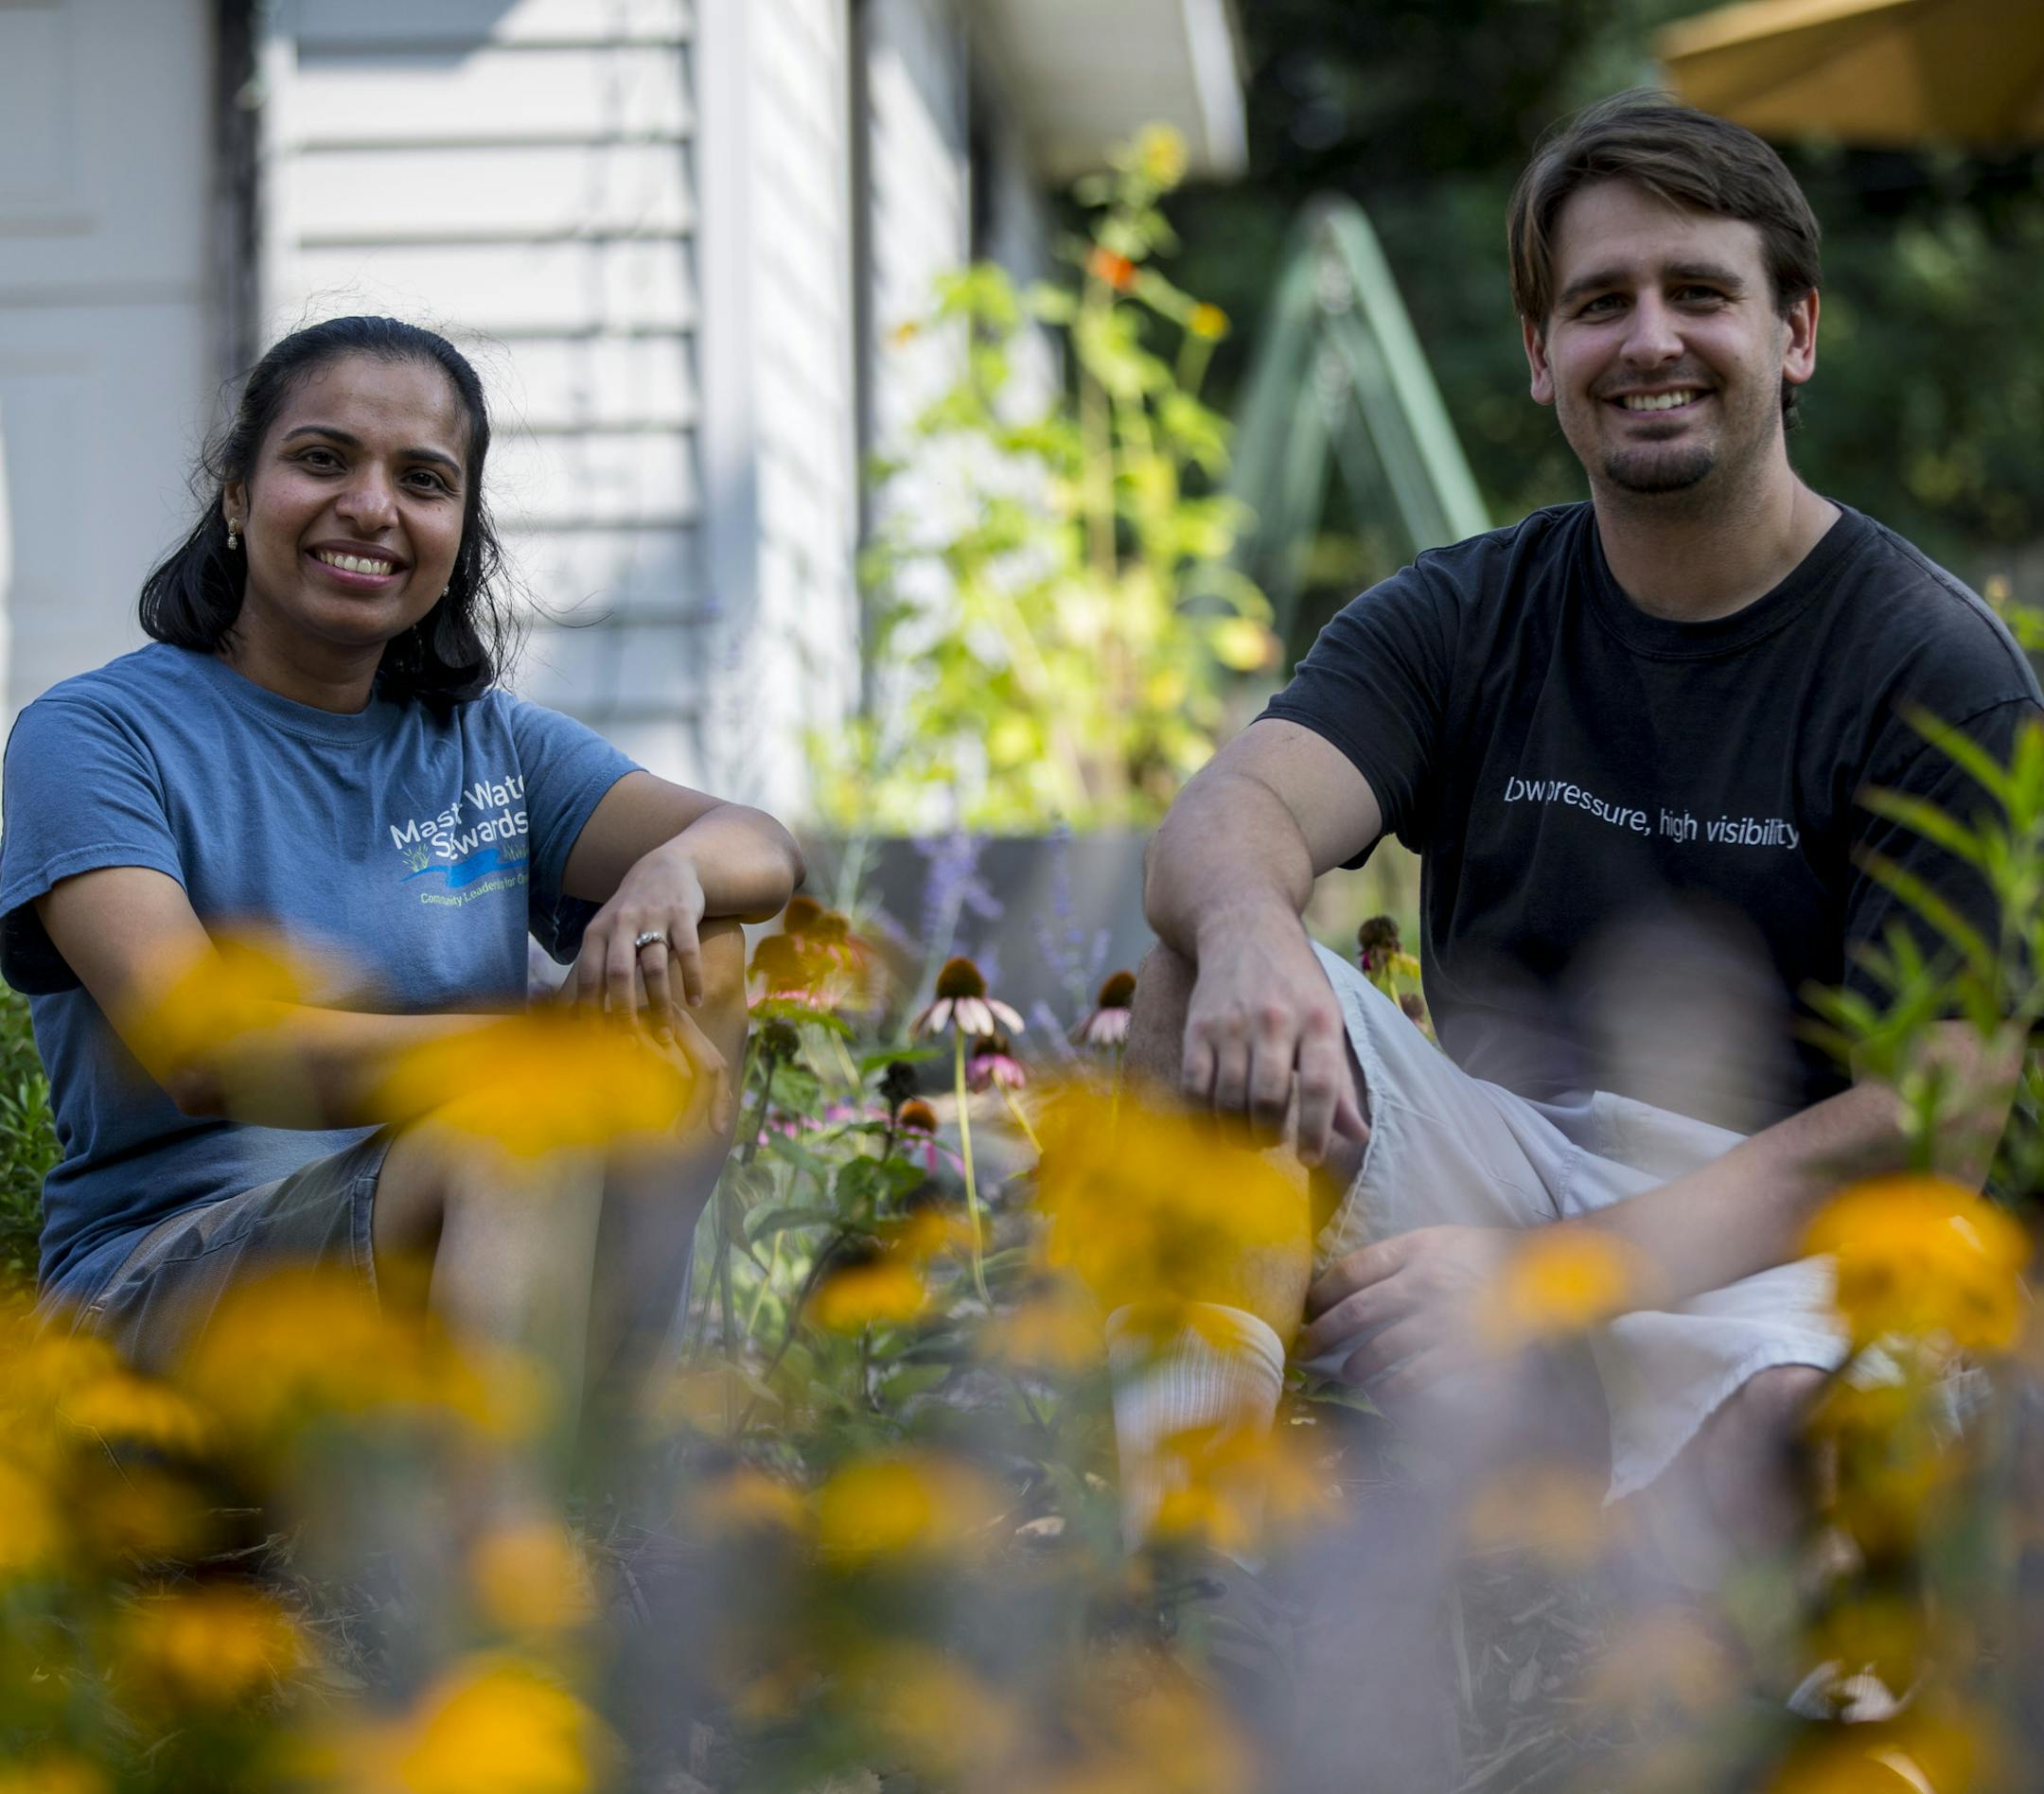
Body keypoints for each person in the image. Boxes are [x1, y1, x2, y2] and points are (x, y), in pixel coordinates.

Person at [1124, 95, 2041, 1564]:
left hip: (1780, 1251)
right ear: (1545, 357)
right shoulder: (1465, 611)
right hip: (1499, 1167)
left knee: (1784, 1455)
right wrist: (1245, 929)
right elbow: (1232, 813)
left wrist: (1547, 1283)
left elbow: (1932, 1124)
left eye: (1701, 294)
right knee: (1196, 968)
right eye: (1602, 303)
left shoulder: (1936, 670)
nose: (1652, 340)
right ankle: (1187, 1581)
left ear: (1796, 334)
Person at [0, 317, 802, 1443]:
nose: (372, 507)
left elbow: (761, 848)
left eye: (422, 480)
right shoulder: (93, 736)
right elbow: (201, 1047)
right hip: (168, 1290)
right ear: (235, 493)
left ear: (459, 527)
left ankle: (596, 1452)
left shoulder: (485, 744)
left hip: (460, 1257)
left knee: (703, 943)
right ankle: (490, 1578)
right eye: (323, 459)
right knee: (504, 1127)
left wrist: (668, 872)